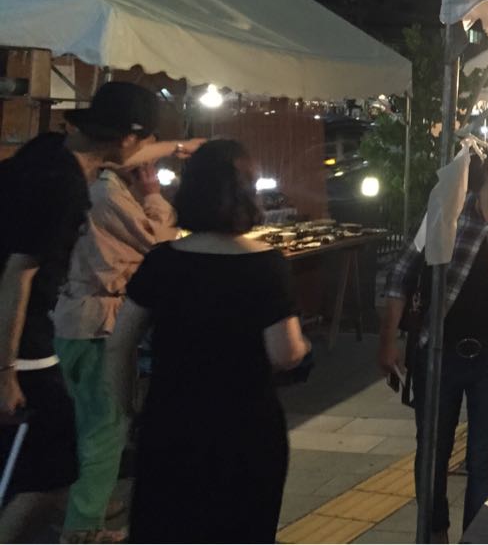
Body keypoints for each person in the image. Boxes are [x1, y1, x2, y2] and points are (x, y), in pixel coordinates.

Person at [106, 141, 309, 543]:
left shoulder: (163, 261)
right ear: (247, 193)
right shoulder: (266, 264)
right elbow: (285, 353)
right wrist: (304, 347)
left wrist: (128, 410)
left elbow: (119, 344)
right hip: (246, 427)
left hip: (171, 423)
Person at [0, 82, 159, 543]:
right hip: (25, 344)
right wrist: (6, 371)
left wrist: (185, 145)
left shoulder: (48, 150)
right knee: (51, 469)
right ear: (127, 139)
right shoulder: (64, 185)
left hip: (41, 331)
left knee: (45, 464)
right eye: (145, 141)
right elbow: (19, 275)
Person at [377, 126, 488, 541]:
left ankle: (475, 537)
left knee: (485, 461)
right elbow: (402, 272)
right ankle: (433, 534)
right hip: (439, 351)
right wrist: (388, 341)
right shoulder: (448, 209)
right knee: (431, 455)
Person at [52, 154, 189, 544]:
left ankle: (85, 505)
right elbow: (161, 244)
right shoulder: (108, 193)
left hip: (74, 319)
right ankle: (82, 527)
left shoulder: (92, 188)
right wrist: (155, 196)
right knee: (106, 426)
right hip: (96, 323)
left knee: (85, 423)